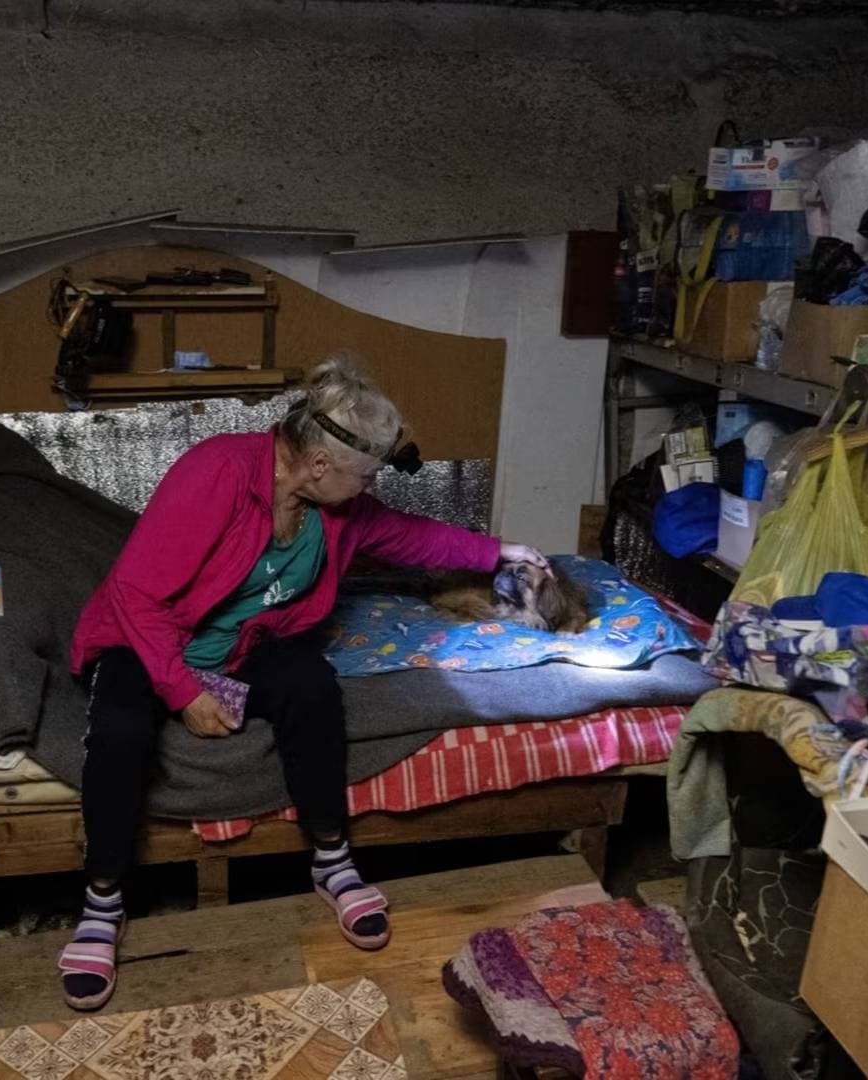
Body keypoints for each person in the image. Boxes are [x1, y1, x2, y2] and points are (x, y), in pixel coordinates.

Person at [60, 355, 549, 1010]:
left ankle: (331, 860)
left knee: (313, 687)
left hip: (241, 644)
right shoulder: (217, 474)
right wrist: (182, 691)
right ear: (321, 466)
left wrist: (499, 554)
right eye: (366, 474)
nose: (371, 486)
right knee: (120, 729)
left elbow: (407, 538)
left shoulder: (336, 510)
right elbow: (135, 594)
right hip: (149, 636)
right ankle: (102, 900)